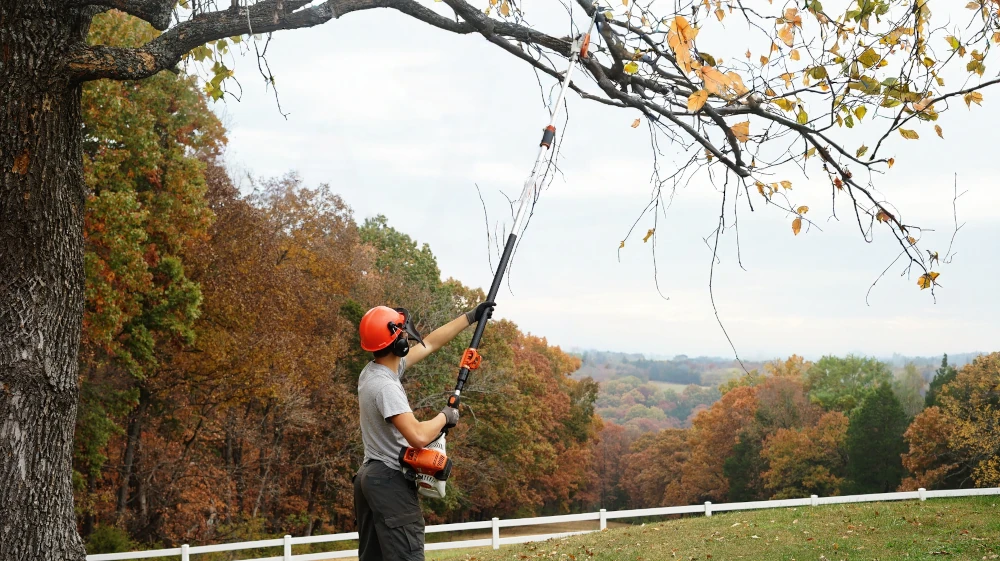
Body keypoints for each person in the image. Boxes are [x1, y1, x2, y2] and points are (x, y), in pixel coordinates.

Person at [353, 302, 495, 561]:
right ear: (398, 345)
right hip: (389, 482)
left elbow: (430, 343)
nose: (408, 337)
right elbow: (417, 436)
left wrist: (471, 316)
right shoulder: (386, 386)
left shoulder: (373, 372)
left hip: (368, 478)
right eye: (404, 334)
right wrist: (445, 416)